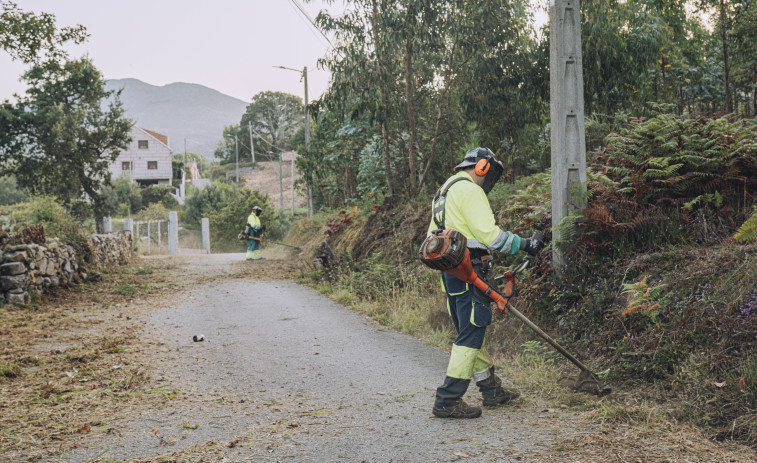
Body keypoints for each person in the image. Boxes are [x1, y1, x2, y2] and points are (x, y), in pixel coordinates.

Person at [427, 147, 544, 419]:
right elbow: (490, 236)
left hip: (450, 272)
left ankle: (491, 389)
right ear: (482, 168)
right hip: (470, 268)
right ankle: (447, 400)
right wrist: (526, 244)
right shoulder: (470, 190)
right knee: (472, 333)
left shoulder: (445, 189)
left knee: (469, 331)